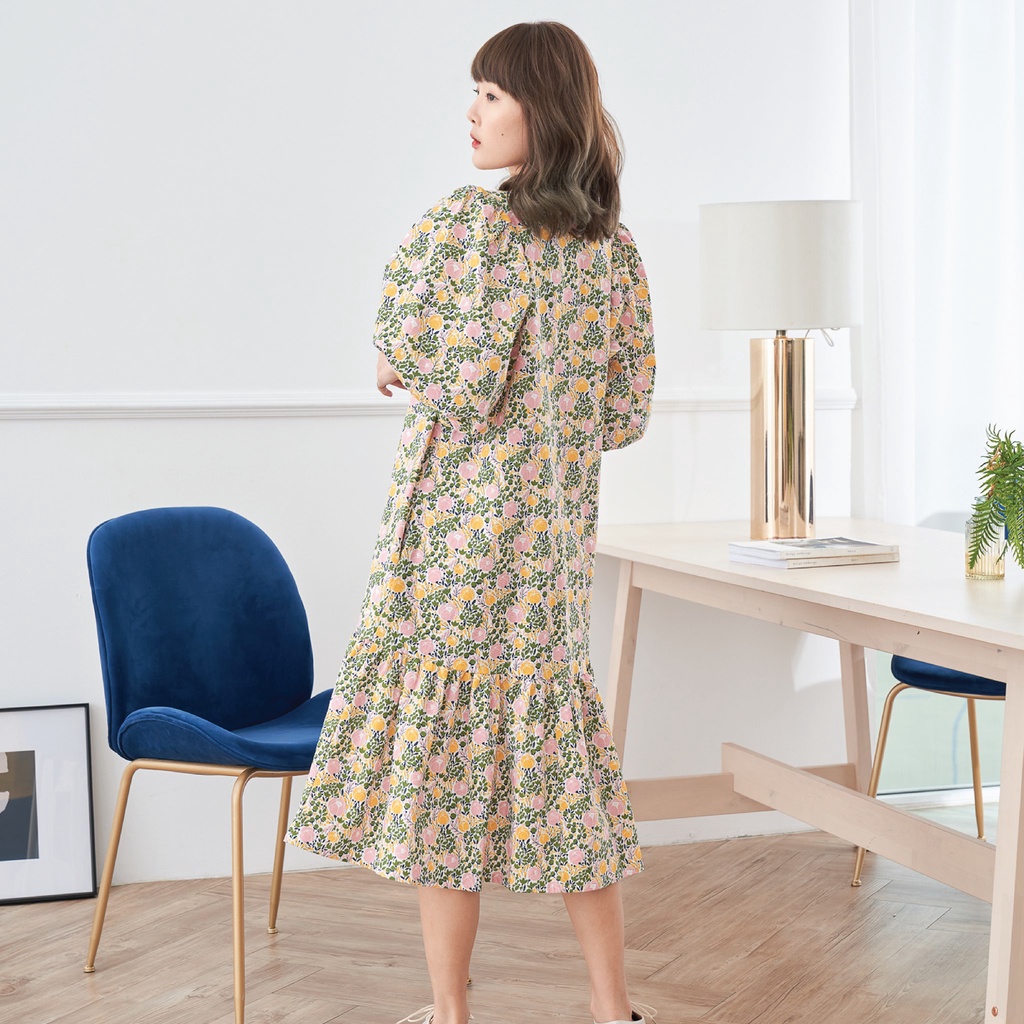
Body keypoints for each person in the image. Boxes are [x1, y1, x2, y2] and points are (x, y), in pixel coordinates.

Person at [286, 21, 656, 1024]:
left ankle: (450, 1011)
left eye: (491, 93)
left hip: (451, 549)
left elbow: (406, 359)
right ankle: (611, 1007)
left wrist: (423, 363)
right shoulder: (615, 256)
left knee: (443, 782)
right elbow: (624, 414)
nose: (473, 112)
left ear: (543, 106)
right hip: (548, 557)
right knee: (568, 774)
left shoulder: (464, 226)